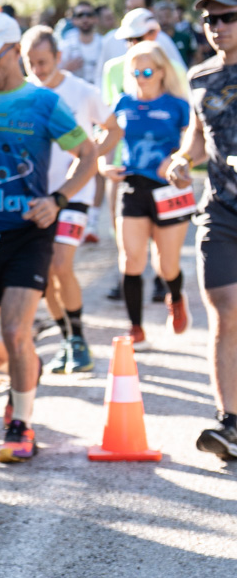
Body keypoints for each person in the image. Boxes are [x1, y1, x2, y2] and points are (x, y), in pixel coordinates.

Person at [0, 12, 96, 463]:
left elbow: (87, 154)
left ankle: (21, 424)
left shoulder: (43, 102)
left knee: (14, 330)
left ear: (13, 52)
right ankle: (27, 368)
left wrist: (58, 199)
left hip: (29, 231)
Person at [21, 26, 122, 373]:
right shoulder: (22, 94)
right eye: (31, 63)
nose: (38, 69)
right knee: (45, 274)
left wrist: (90, 158)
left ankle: (78, 340)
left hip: (74, 192)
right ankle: (67, 339)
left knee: (60, 264)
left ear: (59, 57)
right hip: (35, 196)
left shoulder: (82, 91)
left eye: (43, 62)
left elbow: (114, 128)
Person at [168, 0, 237, 460]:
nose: (218, 27)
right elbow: (197, 135)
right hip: (220, 210)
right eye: (210, 20)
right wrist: (181, 159)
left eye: (228, 17)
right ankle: (229, 423)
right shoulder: (200, 77)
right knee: (225, 310)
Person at [103, 41, 193, 348]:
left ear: (161, 71)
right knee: (131, 260)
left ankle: (176, 297)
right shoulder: (123, 103)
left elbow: (194, 144)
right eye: (135, 72)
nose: (140, 78)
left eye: (146, 72)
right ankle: (136, 328)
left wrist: (177, 159)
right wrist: (103, 165)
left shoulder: (177, 106)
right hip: (133, 186)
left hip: (168, 190)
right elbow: (105, 138)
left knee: (166, 265)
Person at [101, 7, 188, 107]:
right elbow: (108, 106)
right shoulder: (112, 68)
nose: (133, 43)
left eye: (138, 38)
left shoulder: (176, 69)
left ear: (154, 33)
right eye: (128, 39)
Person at [59, 1, 104, 84]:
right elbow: (53, 73)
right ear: (74, 20)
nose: (85, 19)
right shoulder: (65, 45)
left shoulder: (103, 43)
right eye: (80, 15)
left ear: (95, 19)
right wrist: (66, 69)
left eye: (89, 15)